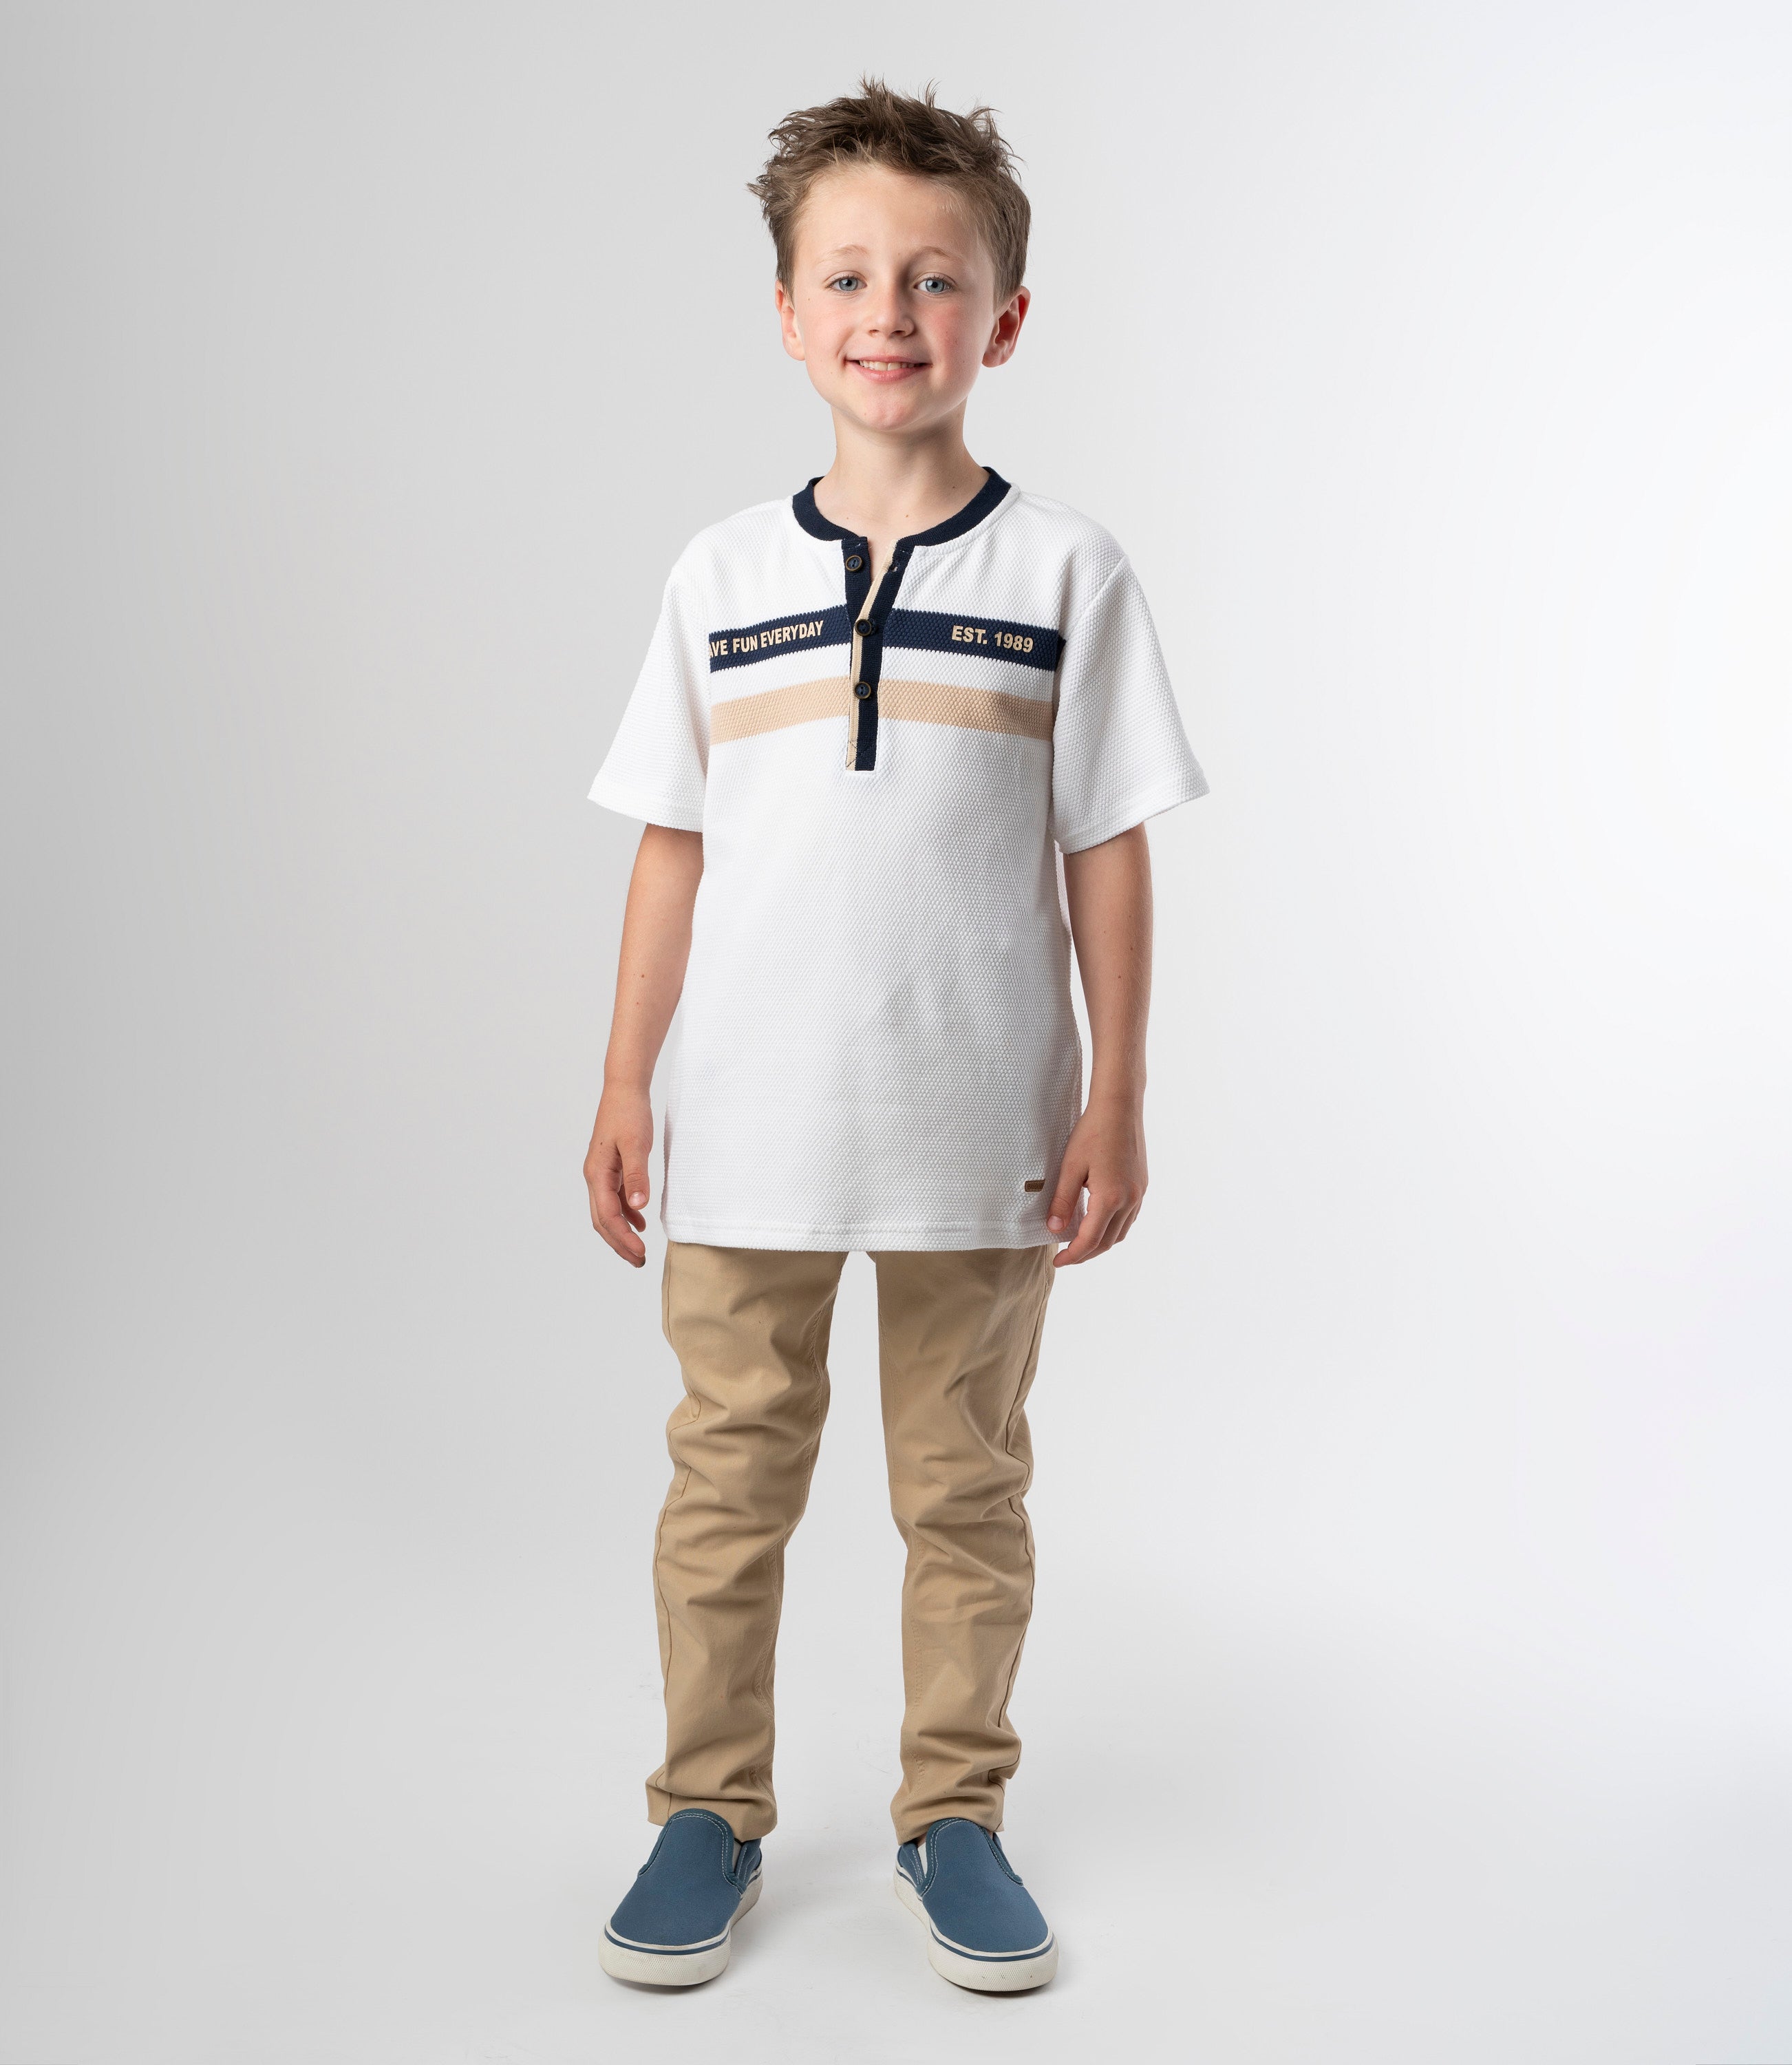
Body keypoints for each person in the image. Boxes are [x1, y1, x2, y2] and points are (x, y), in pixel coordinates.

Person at [582, 78, 1208, 1993]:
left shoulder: (1067, 573)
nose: (889, 312)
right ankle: (707, 1809)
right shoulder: (717, 578)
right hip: (743, 1126)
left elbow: (1106, 851)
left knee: (964, 1492)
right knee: (727, 1482)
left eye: (933, 278)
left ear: (1001, 318)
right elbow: (673, 849)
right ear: (786, 312)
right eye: (846, 276)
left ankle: (954, 1815)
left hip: (978, 1128)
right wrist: (622, 1080)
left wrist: (1118, 1092)